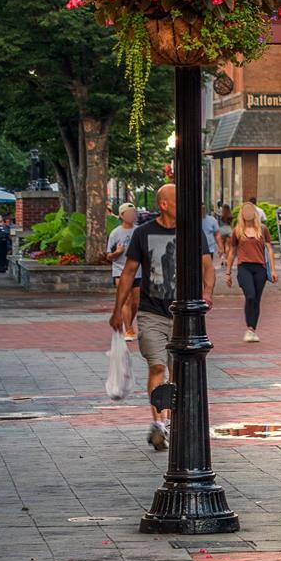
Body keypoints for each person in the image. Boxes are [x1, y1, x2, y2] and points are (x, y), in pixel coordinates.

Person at [109, 184, 213, 451]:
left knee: (177, 373)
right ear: (164, 204)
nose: (185, 206)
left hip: (184, 317)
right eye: (179, 201)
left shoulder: (192, 233)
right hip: (151, 313)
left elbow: (207, 266)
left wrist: (208, 293)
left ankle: (169, 422)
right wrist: (118, 311)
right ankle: (159, 424)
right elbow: (129, 273)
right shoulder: (144, 234)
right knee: (158, 367)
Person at [229, 204, 275, 343]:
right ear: (242, 213)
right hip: (244, 267)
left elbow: (269, 249)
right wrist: (227, 272)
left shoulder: (262, 229)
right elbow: (232, 250)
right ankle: (249, 328)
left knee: (256, 300)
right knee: (250, 296)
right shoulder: (237, 231)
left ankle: (251, 329)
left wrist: (272, 269)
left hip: (260, 268)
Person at [105, 203, 139, 282]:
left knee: (137, 295)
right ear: (122, 215)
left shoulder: (139, 231)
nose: (132, 215)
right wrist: (117, 252)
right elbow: (109, 257)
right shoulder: (115, 233)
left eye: (133, 213)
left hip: (138, 272)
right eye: (129, 213)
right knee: (123, 295)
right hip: (120, 271)